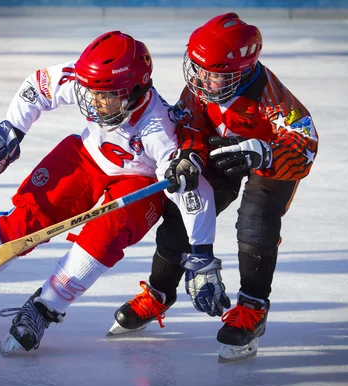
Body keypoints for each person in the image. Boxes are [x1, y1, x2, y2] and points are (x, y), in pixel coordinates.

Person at [0, 31, 218, 355]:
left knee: (104, 236)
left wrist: (202, 251)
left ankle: (45, 307)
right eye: (90, 92)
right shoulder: (90, 79)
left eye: (107, 96)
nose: (94, 102)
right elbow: (37, 87)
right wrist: (10, 129)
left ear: (135, 91)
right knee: (29, 215)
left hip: (139, 182)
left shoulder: (161, 128)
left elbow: (195, 192)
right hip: (86, 157)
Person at [110, 13, 319, 362]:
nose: (201, 79)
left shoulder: (271, 95)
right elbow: (188, 122)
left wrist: (265, 153)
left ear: (243, 71)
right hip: (220, 151)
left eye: (215, 74)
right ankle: (158, 293)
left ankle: (252, 309)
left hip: (268, 162)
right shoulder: (202, 87)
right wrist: (189, 155)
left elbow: (305, 143)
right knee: (182, 209)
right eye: (197, 68)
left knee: (256, 221)